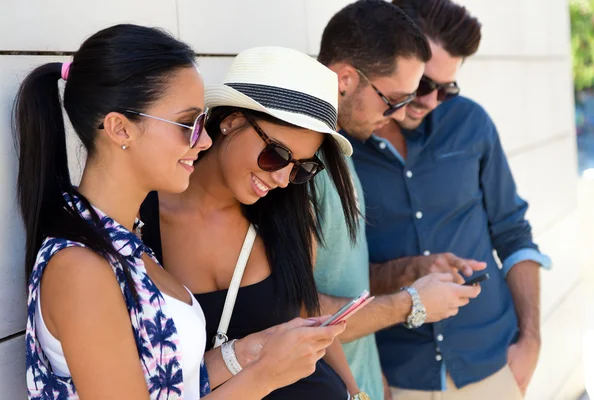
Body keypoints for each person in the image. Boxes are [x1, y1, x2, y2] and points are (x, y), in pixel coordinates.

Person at [17, 25, 345, 400]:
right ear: (120, 129)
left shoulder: (123, 240)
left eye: (201, 123)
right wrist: (266, 375)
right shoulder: (80, 267)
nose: (204, 140)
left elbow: (171, 384)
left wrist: (250, 350)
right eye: (188, 124)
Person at [348, 0, 552, 399]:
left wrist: (531, 340)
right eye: (423, 85)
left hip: (494, 366)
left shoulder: (471, 123)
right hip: (397, 378)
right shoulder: (343, 146)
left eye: (447, 89)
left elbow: (513, 232)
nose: (431, 100)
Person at [140, 46, 362, 399]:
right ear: (231, 121)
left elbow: (308, 320)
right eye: (277, 155)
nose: (284, 179)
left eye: (302, 168)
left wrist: (355, 392)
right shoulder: (138, 223)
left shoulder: (288, 217)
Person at [313, 1, 486, 399]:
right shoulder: (296, 163)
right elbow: (300, 312)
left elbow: (343, 280)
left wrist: (413, 269)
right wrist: (411, 303)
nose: (402, 112)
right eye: (395, 98)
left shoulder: (340, 148)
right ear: (345, 80)